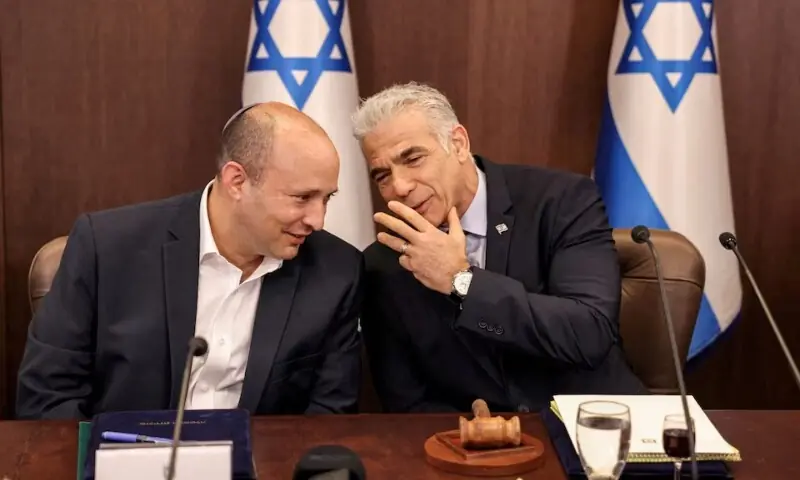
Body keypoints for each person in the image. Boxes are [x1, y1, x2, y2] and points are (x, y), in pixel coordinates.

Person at [16, 102, 364, 419]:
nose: (318, 220)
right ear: (237, 181)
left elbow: (328, 416)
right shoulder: (106, 248)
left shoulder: (336, 272)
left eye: (327, 199)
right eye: (302, 198)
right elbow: (48, 399)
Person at [353, 82, 647, 413]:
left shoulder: (560, 201)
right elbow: (407, 403)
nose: (400, 186)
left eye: (413, 159)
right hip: (468, 438)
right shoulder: (384, 263)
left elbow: (588, 333)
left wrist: (461, 281)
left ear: (458, 144)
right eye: (382, 176)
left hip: (596, 421)